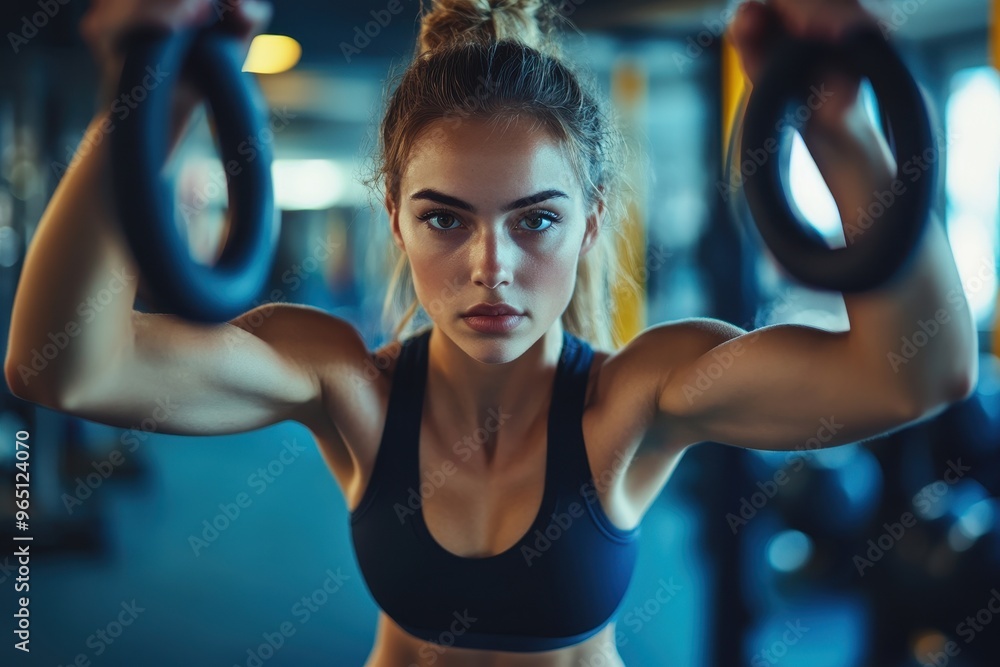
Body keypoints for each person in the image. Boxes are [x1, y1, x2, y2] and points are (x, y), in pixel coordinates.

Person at [3, 0, 979, 665]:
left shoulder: (635, 400)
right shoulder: (346, 387)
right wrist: (148, 107)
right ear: (393, 215)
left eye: (534, 219)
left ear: (590, 221)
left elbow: (917, 373)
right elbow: (69, 365)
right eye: (444, 217)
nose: (490, 267)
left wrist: (835, 128)